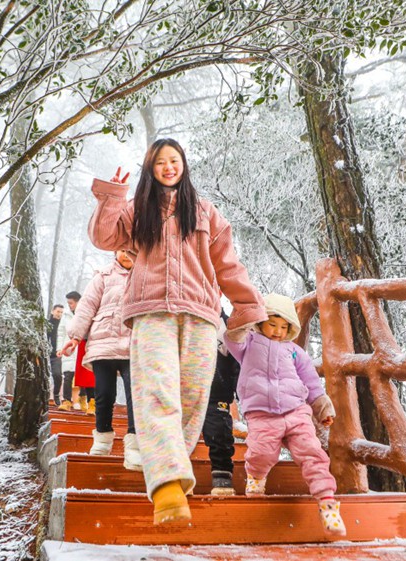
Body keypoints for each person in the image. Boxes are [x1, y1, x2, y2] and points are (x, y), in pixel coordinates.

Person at [88, 138, 267, 525]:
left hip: (201, 314)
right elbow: (103, 237)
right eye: (160, 162)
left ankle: (175, 474)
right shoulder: (138, 209)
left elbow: (228, 266)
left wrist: (247, 305)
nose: (168, 167)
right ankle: (167, 484)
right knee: (157, 392)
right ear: (150, 168)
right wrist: (112, 197)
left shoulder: (204, 212)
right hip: (151, 312)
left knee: (190, 397)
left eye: (174, 160)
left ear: (183, 165)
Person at [224, 293, 346, 537]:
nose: (278, 331)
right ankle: (256, 480)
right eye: (272, 324)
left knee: (312, 452)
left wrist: (321, 406)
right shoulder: (248, 343)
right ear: (261, 322)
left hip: (296, 410)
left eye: (283, 327)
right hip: (261, 414)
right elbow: (232, 339)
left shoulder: (295, 352)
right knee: (260, 452)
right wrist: (245, 315)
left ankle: (327, 503)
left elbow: (311, 382)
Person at [60, 250, 140, 471]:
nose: (126, 254)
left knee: (136, 394)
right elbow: (87, 306)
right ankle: (102, 440)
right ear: (115, 251)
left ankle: (135, 447)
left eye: (130, 248)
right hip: (103, 342)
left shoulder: (146, 273)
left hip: (135, 344)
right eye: (122, 250)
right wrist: (75, 337)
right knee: (104, 395)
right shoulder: (103, 276)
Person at [201, 309, 241, 495]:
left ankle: (222, 475)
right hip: (187, 390)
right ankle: (176, 476)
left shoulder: (227, 326)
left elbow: (238, 360)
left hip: (218, 392)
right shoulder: (186, 316)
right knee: (178, 430)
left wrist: (238, 388)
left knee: (219, 431)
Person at [56, 293, 78, 411]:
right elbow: (61, 333)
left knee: (82, 377)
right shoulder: (65, 315)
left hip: (80, 349)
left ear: (78, 302)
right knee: (68, 376)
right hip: (67, 349)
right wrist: (60, 348)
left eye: (71, 303)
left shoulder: (84, 313)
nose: (69, 306)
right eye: (68, 303)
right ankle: (67, 401)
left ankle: (86, 401)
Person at [47, 305, 65, 407]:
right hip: (45, 355)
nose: (60, 314)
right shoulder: (47, 324)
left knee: (57, 375)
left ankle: (56, 394)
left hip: (56, 355)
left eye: (62, 312)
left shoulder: (62, 325)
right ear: (53, 311)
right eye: (58, 311)